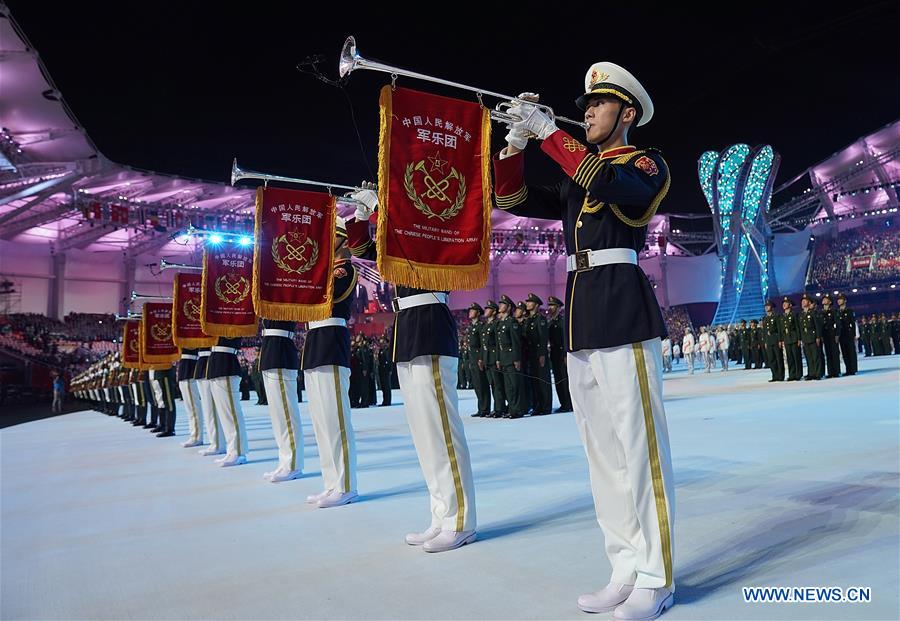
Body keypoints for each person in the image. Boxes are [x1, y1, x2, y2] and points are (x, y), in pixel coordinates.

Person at [492, 61, 674, 619]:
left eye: (599, 104)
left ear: (627, 113)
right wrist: (515, 145)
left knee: (640, 450)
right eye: (587, 105)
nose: (589, 111)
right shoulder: (579, 171)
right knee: (603, 455)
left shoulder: (645, 163)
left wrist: (551, 133)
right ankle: (624, 565)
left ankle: (656, 576)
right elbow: (512, 200)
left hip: (622, 306)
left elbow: (613, 187)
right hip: (582, 313)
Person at [348, 186, 477, 553]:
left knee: (441, 430)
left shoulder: (433, 226)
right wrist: (360, 217)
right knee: (424, 432)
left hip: (430, 320)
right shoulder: (403, 232)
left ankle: (460, 520)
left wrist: (382, 210)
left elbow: (405, 238)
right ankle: (441, 514)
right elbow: (366, 250)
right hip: (408, 324)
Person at [301, 217, 359, 508]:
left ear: (341, 240)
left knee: (335, 418)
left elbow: (328, 295)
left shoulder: (344, 270)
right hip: (315, 339)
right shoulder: (323, 270)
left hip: (331, 336)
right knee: (321, 420)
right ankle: (331, 483)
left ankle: (345, 485)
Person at [259, 318, 304, 483]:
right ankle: (284, 461)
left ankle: (292, 464)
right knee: (278, 416)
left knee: (286, 414)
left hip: (280, 350)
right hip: (271, 347)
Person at [207, 337, 249, 467]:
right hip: (217, 362)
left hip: (226, 362)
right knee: (225, 415)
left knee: (231, 414)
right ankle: (232, 450)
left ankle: (238, 452)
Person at [497, 295, 525, 418]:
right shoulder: (502, 323)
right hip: (504, 358)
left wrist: (517, 359)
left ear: (508, 307)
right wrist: (499, 358)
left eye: (503, 304)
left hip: (511, 357)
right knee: (508, 386)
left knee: (515, 385)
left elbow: (516, 342)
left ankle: (517, 409)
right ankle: (512, 408)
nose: (500, 306)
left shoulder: (512, 322)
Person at [524, 293, 553, 416]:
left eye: (530, 302)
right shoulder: (529, 320)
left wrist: (542, 355)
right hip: (531, 354)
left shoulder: (540, 319)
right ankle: (537, 406)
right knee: (535, 382)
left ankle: (546, 407)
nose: (527, 304)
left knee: (543, 381)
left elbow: (542, 338)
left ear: (536, 305)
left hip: (539, 354)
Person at [547, 296, 573, 411]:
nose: (550, 307)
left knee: (564, 379)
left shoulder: (562, 321)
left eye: (552, 305)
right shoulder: (550, 322)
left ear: (558, 307)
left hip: (562, 354)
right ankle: (563, 403)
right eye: (549, 305)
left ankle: (568, 404)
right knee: (558, 380)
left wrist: (566, 355)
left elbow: (565, 340)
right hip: (554, 354)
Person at [465, 303, 491, 418]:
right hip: (472, 359)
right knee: (477, 385)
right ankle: (481, 408)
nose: (470, 312)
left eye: (473, 310)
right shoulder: (471, 327)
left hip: (478, 358)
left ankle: (485, 408)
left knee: (482, 384)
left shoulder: (480, 326)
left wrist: (481, 358)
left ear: (478, 313)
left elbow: (482, 344)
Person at [481, 300, 506, 418]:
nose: (486, 310)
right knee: (493, 385)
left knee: (498, 385)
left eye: (488, 308)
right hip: (487, 358)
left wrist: (497, 359)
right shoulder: (486, 325)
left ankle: (500, 408)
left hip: (494, 357)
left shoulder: (496, 324)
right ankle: (496, 408)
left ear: (494, 311)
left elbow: (497, 343)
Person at [178, 348, 204, 448]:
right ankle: (194, 434)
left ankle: (196, 436)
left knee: (193, 406)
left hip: (189, 365)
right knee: (190, 407)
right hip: (185, 365)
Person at [799, 294, 823, 380]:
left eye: (805, 301)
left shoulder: (813, 313)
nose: (803, 302)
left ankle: (818, 373)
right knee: (808, 357)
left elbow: (817, 326)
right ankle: (811, 373)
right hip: (805, 338)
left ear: (809, 303)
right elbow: (800, 328)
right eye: (802, 301)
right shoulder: (801, 314)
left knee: (816, 356)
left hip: (813, 337)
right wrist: (801, 338)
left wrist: (818, 337)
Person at [780, 297, 803, 381]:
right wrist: (782, 339)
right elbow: (782, 329)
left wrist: (799, 338)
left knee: (796, 357)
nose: (784, 305)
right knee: (789, 358)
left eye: (785, 303)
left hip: (794, 338)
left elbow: (797, 327)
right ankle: (792, 374)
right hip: (787, 339)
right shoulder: (783, 316)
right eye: (783, 303)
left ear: (790, 305)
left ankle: (798, 374)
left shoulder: (794, 315)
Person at [761, 301, 784, 382]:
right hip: (769, 341)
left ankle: (781, 376)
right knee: (771, 359)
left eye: (768, 306)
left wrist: (780, 340)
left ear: (772, 307)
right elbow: (764, 331)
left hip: (776, 339)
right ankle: (774, 375)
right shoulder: (765, 318)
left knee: (778, 358)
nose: (766, 307)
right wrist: (765, 341)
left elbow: (779, 329)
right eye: (765, 306)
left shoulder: (776, 316)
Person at [819, 295, 841, 378]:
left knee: (834, 352)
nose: (824, 300)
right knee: (828, 353)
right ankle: (830, 371)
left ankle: (836, 371)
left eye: (826, 299)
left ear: (830, 302)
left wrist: (837, 334)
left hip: (832, 334)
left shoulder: (833, 311)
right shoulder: (821, 312)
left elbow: (838, 323)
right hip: (825, 334)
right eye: (823, 299)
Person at [836, 293, 857, 375]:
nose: (839, 301)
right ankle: (848, 369)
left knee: (851, 352)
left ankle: (853, 369)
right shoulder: (837, 312)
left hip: (848, 334)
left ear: (845, 301)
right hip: (841, 334)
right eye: (838, 299)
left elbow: (853, 323)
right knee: (844, 352)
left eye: (840, 299)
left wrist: (853, 334)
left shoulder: (849, 311)